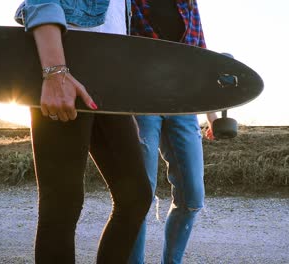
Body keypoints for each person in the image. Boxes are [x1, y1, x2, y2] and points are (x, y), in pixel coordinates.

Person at [14, 1, 152, 263]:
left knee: (135, 196)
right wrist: (55, 71)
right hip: (67, 62)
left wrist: (126, 106)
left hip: (108, 82)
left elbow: (114, 30)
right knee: (61, 204)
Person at [128, 1, 211, 263]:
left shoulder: (186, 2)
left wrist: (213, 113)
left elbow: (200, 52)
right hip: (141, 101)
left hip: (183, 103)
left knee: (193, 196)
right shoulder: (128, 2)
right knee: (138, 196)